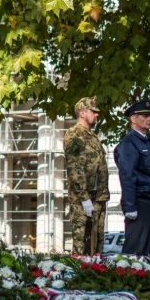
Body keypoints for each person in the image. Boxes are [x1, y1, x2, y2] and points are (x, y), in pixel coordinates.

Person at [113, 100, 150, 256]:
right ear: (133, 119)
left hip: (149, 201)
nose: (149, 119)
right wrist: (130, 206)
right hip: (138, 201)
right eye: (144, 116)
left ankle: (140, 279)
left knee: (145, 252)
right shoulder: (129, 144)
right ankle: (128, 279)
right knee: (133, 251)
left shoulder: (149, 144)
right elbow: (127, 176)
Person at [63, 97, 110, 255]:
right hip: (83, 199)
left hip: (98, 197)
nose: (97, 115)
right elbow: (75, 169)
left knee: (97, 243)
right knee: (82, 243)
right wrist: (84, 198)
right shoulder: (74, 135)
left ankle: (96, 274)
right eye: (93, 112)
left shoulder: (92, 137)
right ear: (82, 113)